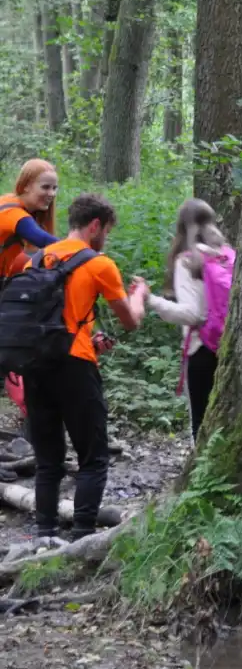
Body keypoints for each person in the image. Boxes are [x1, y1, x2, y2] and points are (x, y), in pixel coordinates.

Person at [23, 194, 148, 541]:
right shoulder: (98, 264)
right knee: (93, 457)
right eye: (106, 230)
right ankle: (81, 536)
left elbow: (49, 319)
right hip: (76, 368)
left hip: (35, 365)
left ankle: (44, 534)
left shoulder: (37, 260)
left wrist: (90, 339)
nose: (105, 237)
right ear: (95, 225)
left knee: (48, 459)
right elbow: (130, 321)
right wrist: (140, 295)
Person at [134, 199, 232, 442]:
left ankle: (202, 474)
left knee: (201, 422)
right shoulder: (227, 255)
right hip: (229, 347)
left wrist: (151, 299)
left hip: (201, 348)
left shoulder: (188, 260)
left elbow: (192, 314)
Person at [0, 160, 61, 451]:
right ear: (25, 186)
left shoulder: (21, 217)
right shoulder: (11, 211)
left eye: (54, 188)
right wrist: (83, 250)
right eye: (45, 187)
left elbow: (25, 260)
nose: (51, 193)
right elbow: (44, 241)